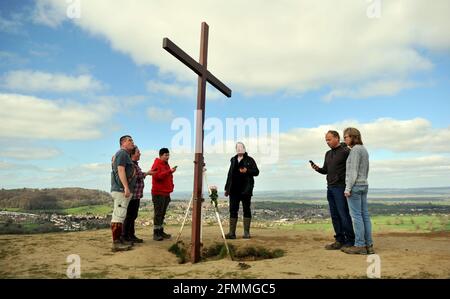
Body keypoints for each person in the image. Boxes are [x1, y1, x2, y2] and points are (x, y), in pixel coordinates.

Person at [311, 130, 355, 250]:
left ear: (337, 138)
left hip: (341, 187)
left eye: (329, 139)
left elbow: (352, 168)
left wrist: (350, 186)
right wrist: (317, 168)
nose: (327, 142)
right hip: (330, 187)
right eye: (326, 140)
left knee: (343, 214)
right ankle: (339, 240)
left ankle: (350, 241)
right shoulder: (328, 154)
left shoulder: (346, 151)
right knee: (335, 215)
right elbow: (326, 170)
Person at [341, 127, 374, 255]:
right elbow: (366, 170)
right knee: (365, 215)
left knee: (356, 217)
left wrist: (348, 188)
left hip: (355, 186)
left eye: (346, 137)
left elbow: (353, 171)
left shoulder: (355, 150)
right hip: (364, 184)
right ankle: (369, 245)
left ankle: (360, 245)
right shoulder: (364, 150)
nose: (345, 139)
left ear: (353, 137)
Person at [224, 142, 259, 239]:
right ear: (236, 149)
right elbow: (229, 175)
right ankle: (232, 233)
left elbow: (256, 172)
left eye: (241, 147)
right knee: (233, 210)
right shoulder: (233, 160)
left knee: (246, 209)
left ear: (244, 149)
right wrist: (227, 188)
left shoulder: (250, 160)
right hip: (233, 190)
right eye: (237, 148)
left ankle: (246, 233)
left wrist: (247, 170)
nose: (239, 149)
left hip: (245, 189)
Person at [122, 146, 155, 243]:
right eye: (138, 152)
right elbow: (137, 175)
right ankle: (125, 236)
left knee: (133, 215)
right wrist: (147, 173)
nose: (140, 154)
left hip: (136, 195)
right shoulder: (131, 164)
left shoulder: (135, 164)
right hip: (132, 195)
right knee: (130, 216)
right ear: (132, 154)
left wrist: (146, 173)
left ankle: (130, 235)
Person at [110, 135, 136, 252]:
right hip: (121, 190)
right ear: (122, 143)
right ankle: (116, 243)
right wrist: (126, 187)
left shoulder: (124, 155)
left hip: (122, 190)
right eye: (129, 140)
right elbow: (121, 170)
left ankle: (119, 240)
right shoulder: (122, 153)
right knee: (119, 215)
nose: (132, 142)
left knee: (121, 215)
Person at [150, 148, 176, 241]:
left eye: (168, 155)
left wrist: (171, 187)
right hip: (158, 193)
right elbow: (157, 176)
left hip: (165, 193)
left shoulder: (166, 165)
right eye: (165, 155)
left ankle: (160, 231)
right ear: (160, 155)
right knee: (158, 214)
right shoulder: (157, 164)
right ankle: (156, 233)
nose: (167, 157)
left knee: (162, 213)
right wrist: (169, 171)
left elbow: (167, 177)